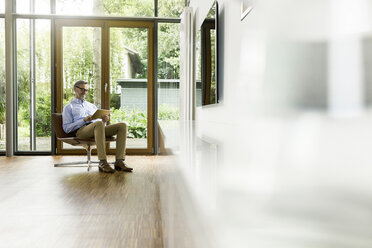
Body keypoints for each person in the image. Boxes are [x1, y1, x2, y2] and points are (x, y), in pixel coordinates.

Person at [62, 80, 133, 173]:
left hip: (96, 128)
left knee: (122, 125)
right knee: (98, 124)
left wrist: (104, 121)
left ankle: (119, 162)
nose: (84, 92)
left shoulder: (91, 106)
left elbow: (99, 124)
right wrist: (83, 121)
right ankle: (103, 162)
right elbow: (67, 128)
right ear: (75, 89)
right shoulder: (69, 107)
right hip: (81, 131)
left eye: (86, 90)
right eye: (82, 89)